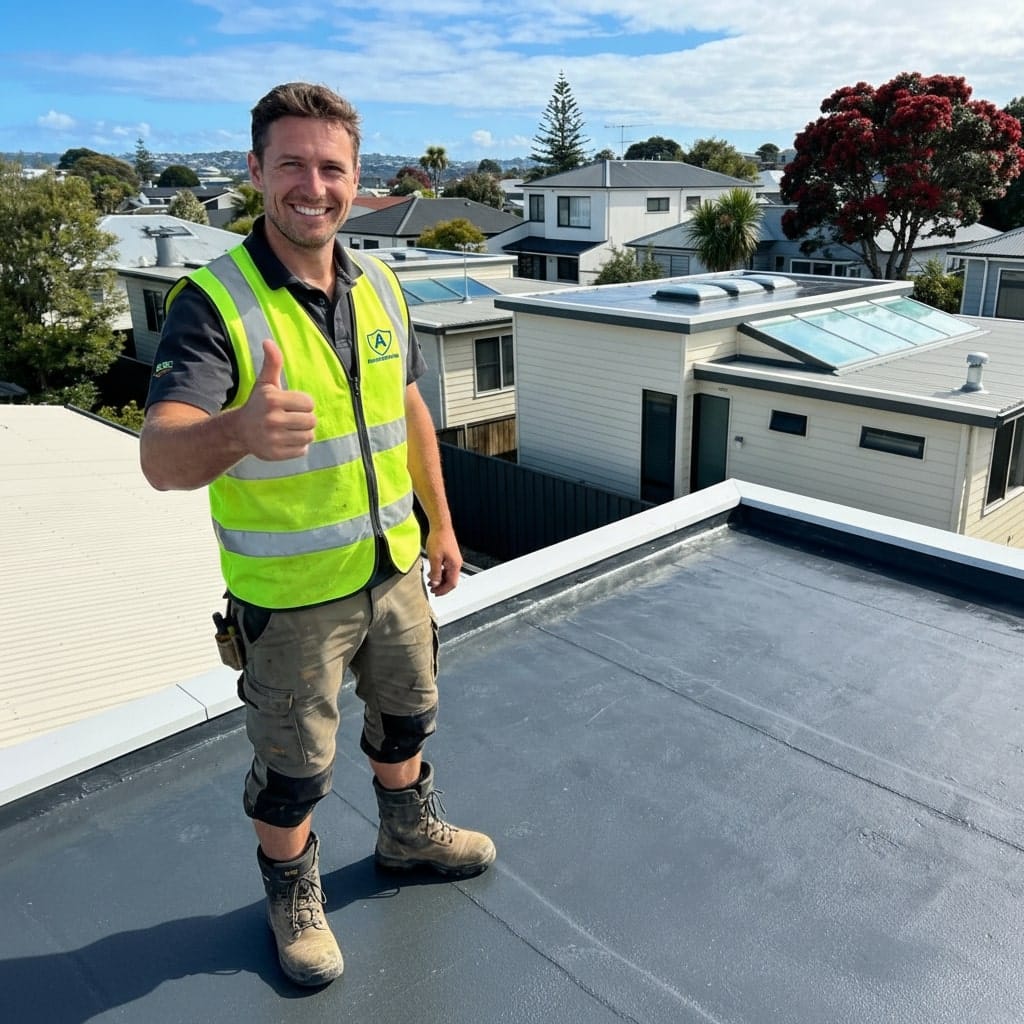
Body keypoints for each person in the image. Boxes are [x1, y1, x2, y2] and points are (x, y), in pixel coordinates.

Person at [139, 82, 496, 988]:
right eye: (291, 163)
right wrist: (237, 432)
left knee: (408, 714)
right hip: (292, 601)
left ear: (354, 179)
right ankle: (292, 894)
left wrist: (442, 524)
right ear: (257, 172)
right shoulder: (212, 303)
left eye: (331, 166)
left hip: (392, 571)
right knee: (296, 769)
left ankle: (409, 834)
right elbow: (161, 457)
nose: (313, 184)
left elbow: (410, 407)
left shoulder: (379, 283)